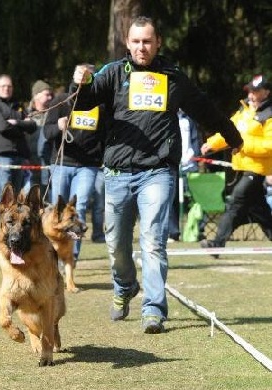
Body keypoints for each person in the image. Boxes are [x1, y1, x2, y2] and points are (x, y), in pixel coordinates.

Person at [70, 16, 243, 333]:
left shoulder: (172, 76)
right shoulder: (113, 73)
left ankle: (153, 309)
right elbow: (82, 103)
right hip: (118, 171)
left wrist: (233, 137)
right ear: (127, 43)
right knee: (116, 244)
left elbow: (204, 108)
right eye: (136, 41)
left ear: (158, 42)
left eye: (147, 41)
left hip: (158, 171)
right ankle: (124, 286)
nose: (141, 47)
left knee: (153, 241)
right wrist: (79, 82)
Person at [200, 75, 272, 251]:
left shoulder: (269, 115)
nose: (252, 94)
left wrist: (243, 146)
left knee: (235, 202)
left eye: (256, 91)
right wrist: (212, 143)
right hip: (241, 167)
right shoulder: (243, 111)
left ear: (267, 92)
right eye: (250, 91)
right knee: (261, 212)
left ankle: (217, 244)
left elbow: (269, 146)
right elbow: (230, 131)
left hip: (257, 170)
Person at [43, 69, 105, 268]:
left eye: (87, 77)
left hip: (88, 166)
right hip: (62, 163)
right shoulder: (61, 100)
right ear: (74, 77)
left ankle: (71, 259)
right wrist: (58, 127)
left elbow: (106, 134)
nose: (83, 79)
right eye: (80, 76)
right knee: (57, 213)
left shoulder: (101, 104)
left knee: (79, 209)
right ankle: (52, 257)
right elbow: (46, 132)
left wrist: (101, 157)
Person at [0, 74, 37, 199]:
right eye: (3, 86)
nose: (6, 89)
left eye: (9, 86)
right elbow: (2, 126)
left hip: (20, 154)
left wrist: (17, 123)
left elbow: (33, 126)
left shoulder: (18, 106)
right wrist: (22, 127)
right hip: (2, 155)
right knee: (6, 197)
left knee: (17, 197)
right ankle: (1, 220)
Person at [168, 110, 200, 242]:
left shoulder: (189, 119)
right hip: (172, 164)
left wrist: (193, 157)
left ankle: (198, 230)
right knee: (171, 198)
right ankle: (173, 232)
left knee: (195, 199)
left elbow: (195, 140)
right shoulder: (167, 117)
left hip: (189, 164)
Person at [27, 80, 55, 202]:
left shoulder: (54, 114)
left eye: (51, 95)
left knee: (47, 196)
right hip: (29, 163)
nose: (50, 97)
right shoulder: (26, 115)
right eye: (46, 94)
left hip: (49, 162)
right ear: (36, 95)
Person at [91, 167, 106, 243]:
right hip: (96, 169)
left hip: (108, 169)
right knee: (99, 206)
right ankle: (98, 235)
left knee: (99, 206)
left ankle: (98, 235)